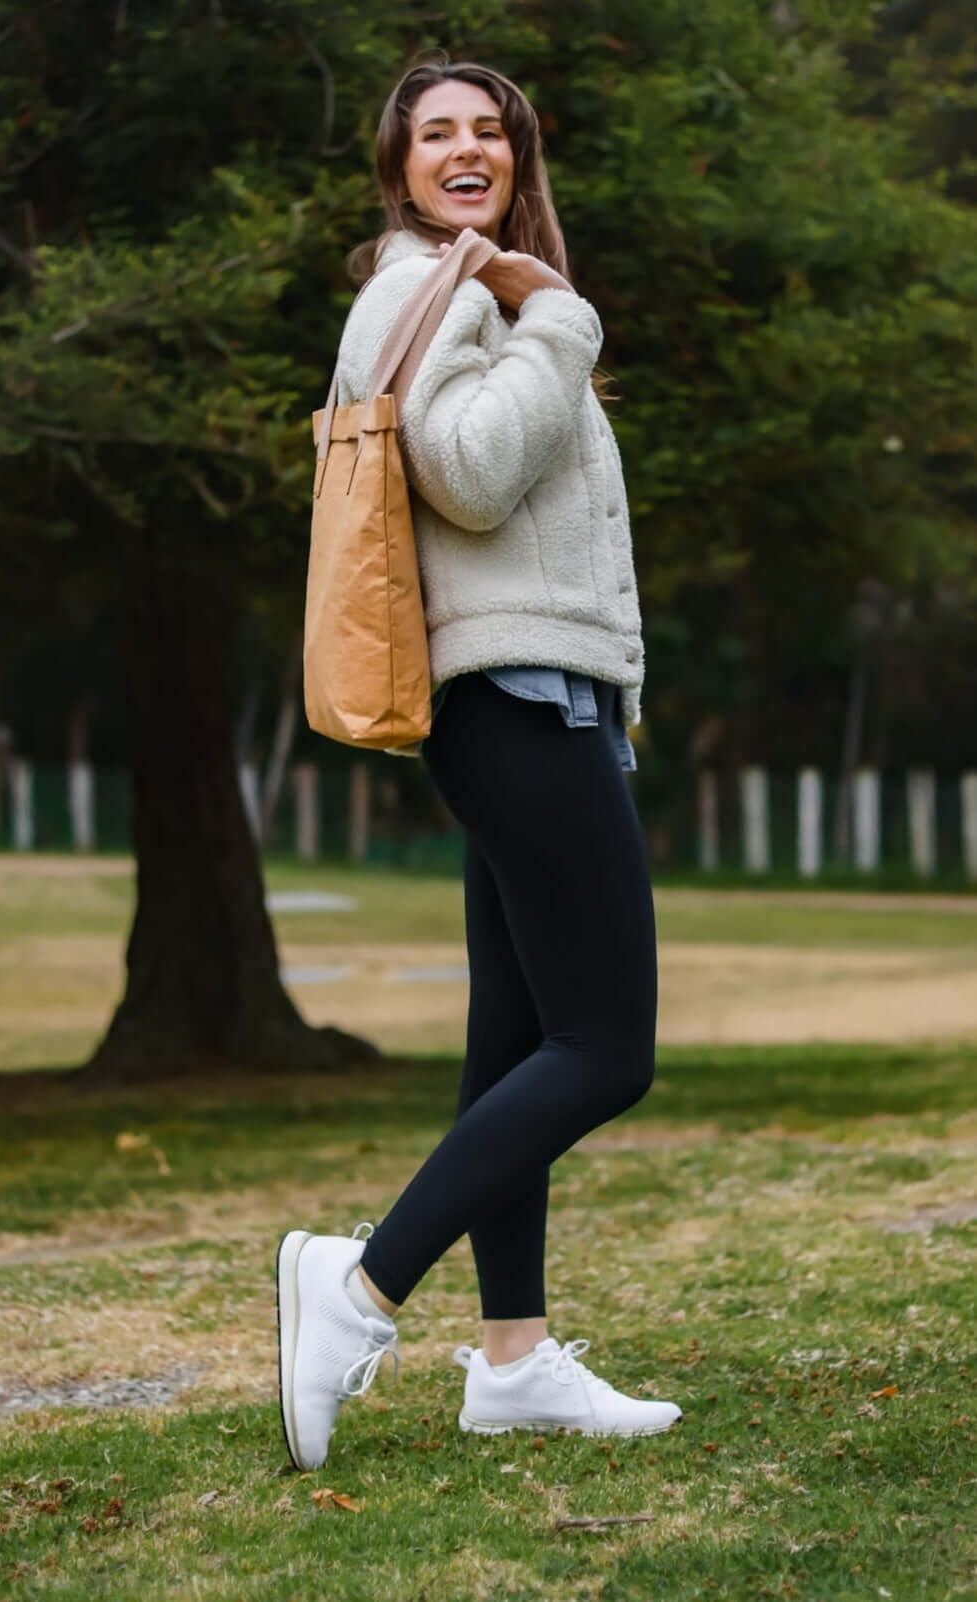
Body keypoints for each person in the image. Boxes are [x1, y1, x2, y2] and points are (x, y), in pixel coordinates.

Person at [277, 58, 681, 1473]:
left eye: (487, 131)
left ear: (517, 158)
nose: (466, 149)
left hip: (531, 692)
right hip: (513, 699)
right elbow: (464, 468)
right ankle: (360, 1282)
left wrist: (528, 310)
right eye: (435, 133)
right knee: (608, 1046)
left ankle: (511, 1360)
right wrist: (557, 322)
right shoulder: (433, 286)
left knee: (516, 1042)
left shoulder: (478, 289)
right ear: (398, 167)